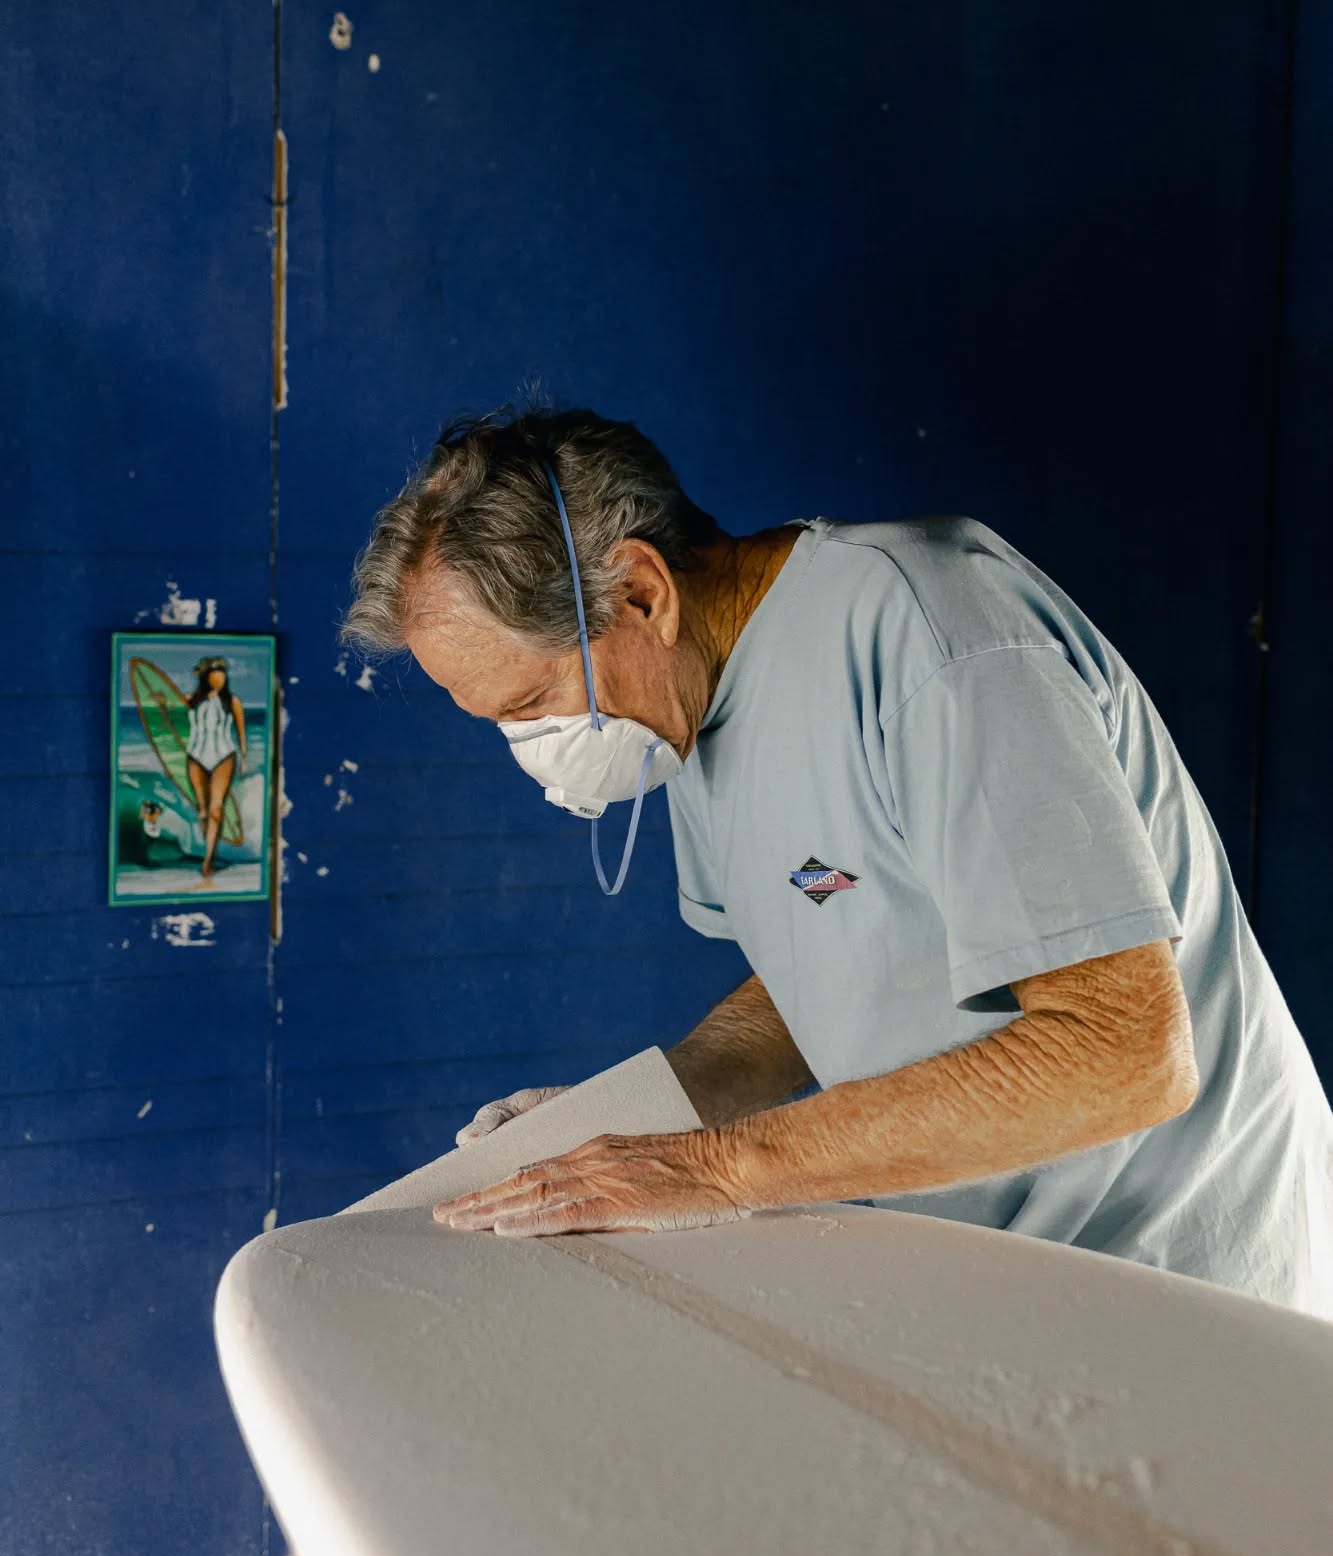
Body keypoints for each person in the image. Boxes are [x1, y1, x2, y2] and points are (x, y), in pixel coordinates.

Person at [338, 405, 1333, 1317]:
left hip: (1196, 1285)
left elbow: (1121, 1056)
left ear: (643, 592)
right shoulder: (687, 712)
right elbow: (831, 964)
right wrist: (640, 1112)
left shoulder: (933, 631)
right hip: (1014, 1282)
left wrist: (716, 1167)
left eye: (529, 703)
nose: (535, 740)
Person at [185, 656, 247, 879]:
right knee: (203, 810)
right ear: (206, 677)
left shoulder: (232, 701)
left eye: (222, 675)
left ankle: (207, 860)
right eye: (215, 675)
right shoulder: (192, 700)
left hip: (224, 755)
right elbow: (166, 718)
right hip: (195, 755)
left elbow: (240, 731)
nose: (220, 679)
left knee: (216, 809)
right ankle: (209, 849)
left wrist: (245, 757)